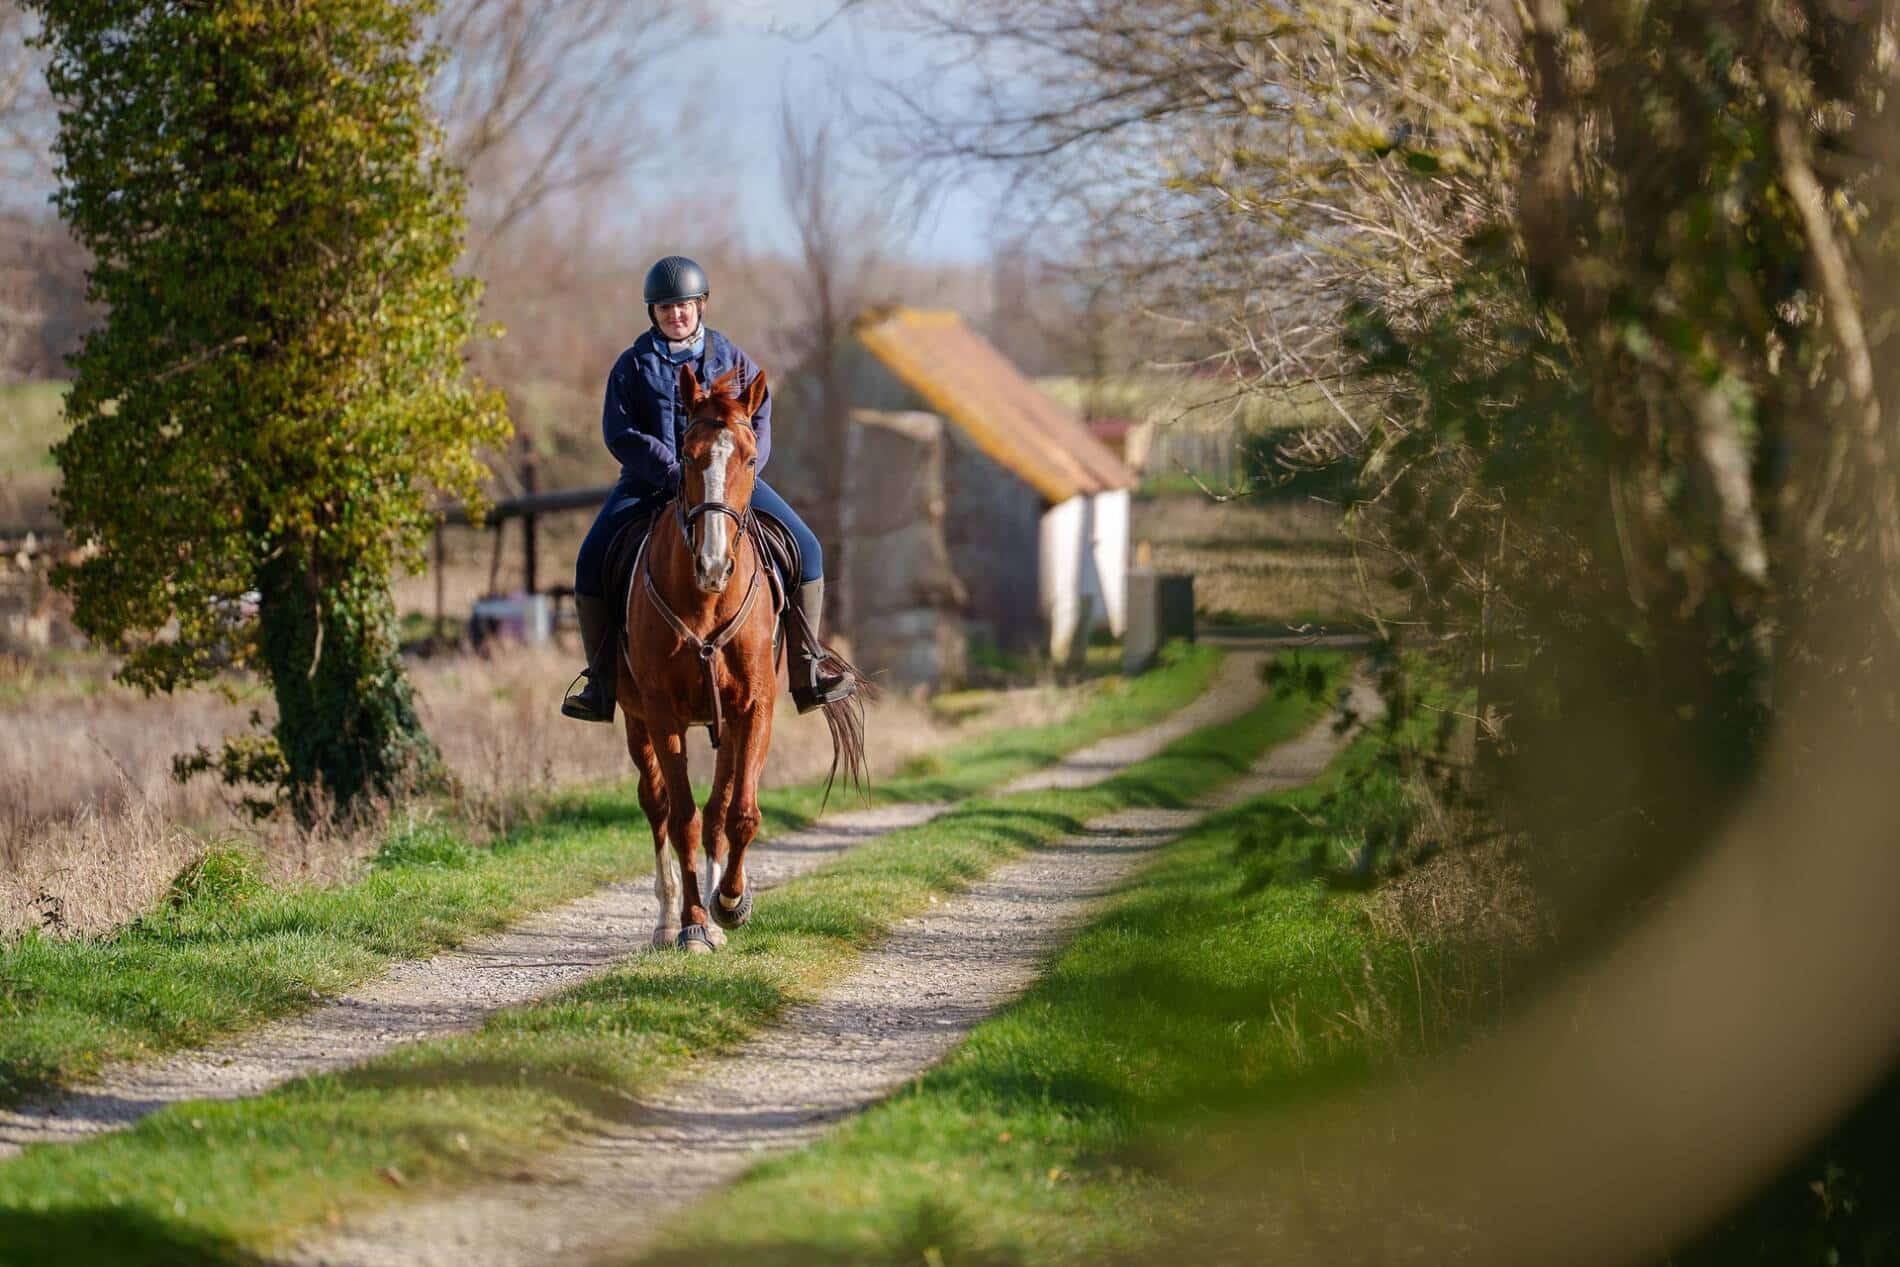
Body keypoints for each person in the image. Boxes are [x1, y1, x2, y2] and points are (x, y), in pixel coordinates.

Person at [562, 255, 854, 723]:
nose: (675, 315)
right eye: (664, 308)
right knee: (590, 560)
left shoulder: (734, 360)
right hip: (652, 483)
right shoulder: (632, 365)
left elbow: (759, 418)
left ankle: (807, 668)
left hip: (726, 484)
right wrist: (672, 471)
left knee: (809, 548)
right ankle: (600, 682)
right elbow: (619, 433)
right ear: (652, 313)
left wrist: (736, 473)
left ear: (701, 306)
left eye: (683, 306)